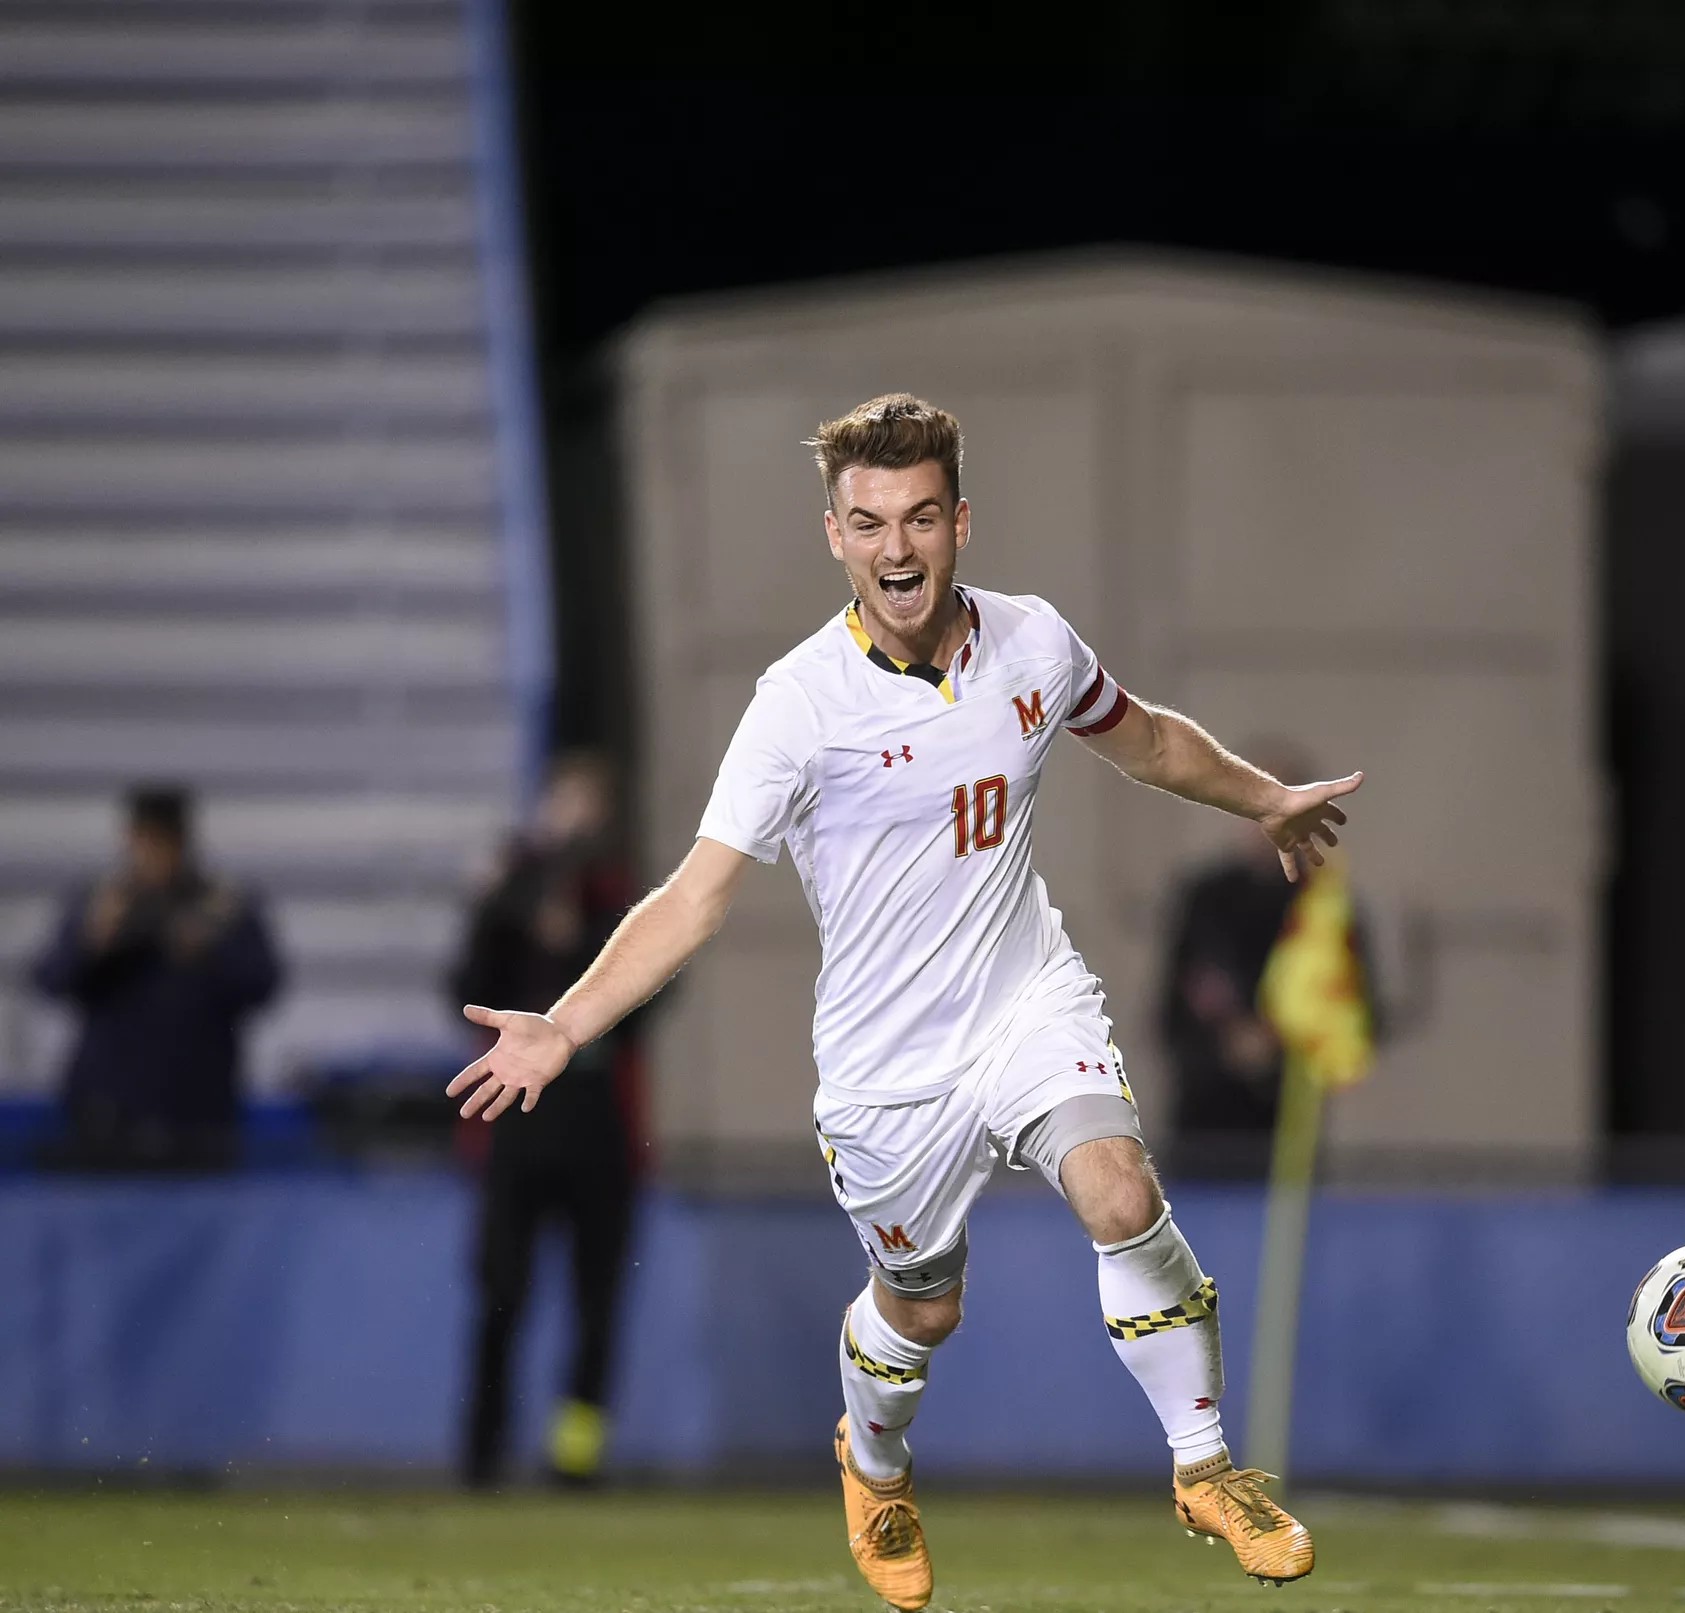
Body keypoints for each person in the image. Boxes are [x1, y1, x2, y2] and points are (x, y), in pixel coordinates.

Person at [444, 394, 1360, 1608]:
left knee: (1119, 1187)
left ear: (960, 521)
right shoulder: (797, 703)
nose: (897, 548)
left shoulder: (1032, 643)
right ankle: (871, 1461)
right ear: (834, 535)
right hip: (886, 1067)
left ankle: (1205, 1468)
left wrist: (1263, 799)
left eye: (920, 517)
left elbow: (1142, 741)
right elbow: (693, 895)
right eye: (869, 522)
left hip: (1027, 999)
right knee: (923, 1308)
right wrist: (565, 1021)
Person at [450, 753, 641, 1489]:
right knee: (501, 1289)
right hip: (517, 1122)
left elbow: (648, 1007)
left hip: (595, 1121)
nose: (575, 818)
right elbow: (465, 988)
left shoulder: (622, 899)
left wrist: (579, 936)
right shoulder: (513, 888)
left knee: (597, 1301)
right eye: (567, 800)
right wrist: (505, 906)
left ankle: (575, 1457)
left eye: (588, 803)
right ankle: (481, 1450)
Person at [30, 785, 281, 1169]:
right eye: (145, 841)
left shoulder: (223, 907)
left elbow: (263, 987)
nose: (154, 855)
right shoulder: (100, 904)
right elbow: (50, 982)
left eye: (164, 842)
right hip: (107, 1118)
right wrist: (93, 943)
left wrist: (210, 951)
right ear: (129, 840)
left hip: (199, 1118)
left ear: (184, 841)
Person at [1159, 744, 1380, 1178]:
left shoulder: (1326, 905)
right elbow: (1170, 1012)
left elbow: (1360, 1014)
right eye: (1253, 797)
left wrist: (1282, 1045)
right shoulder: (1204, 899)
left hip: (1289, 1135)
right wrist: (1228, 1046)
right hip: (1202, 1131)